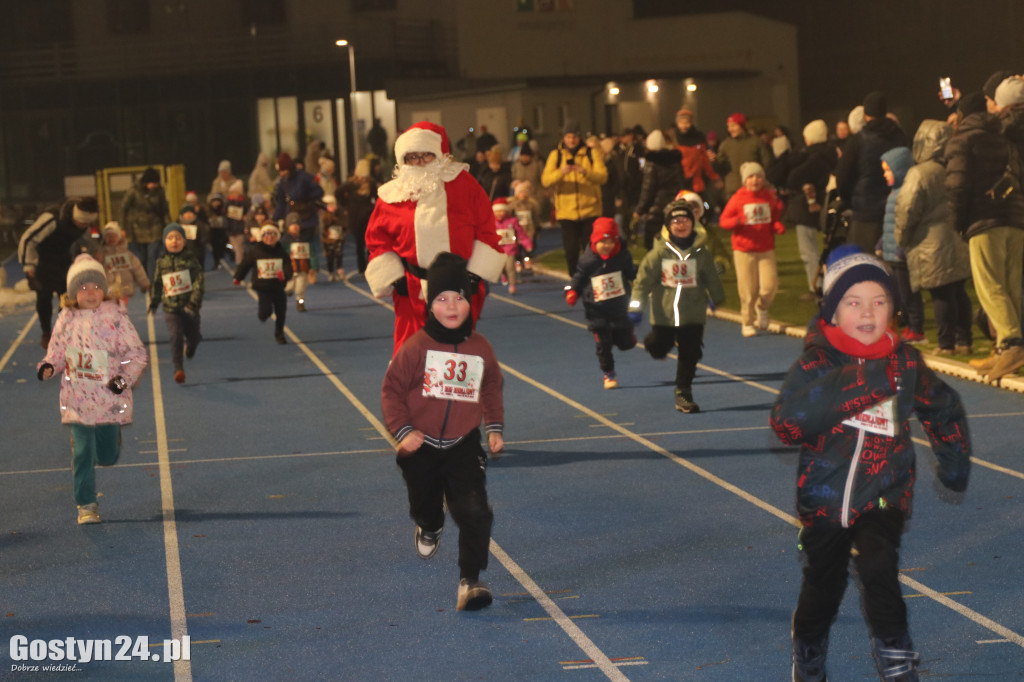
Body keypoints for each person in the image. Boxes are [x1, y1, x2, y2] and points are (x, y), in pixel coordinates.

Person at [770, 246, 971, 682]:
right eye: (853, 302)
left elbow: (944, 408)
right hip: (824, 500)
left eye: (878, 302)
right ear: (833, 311)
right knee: (824, 584)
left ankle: (896, 657)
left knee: (878, 567)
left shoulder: (906, 364)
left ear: (892, 310)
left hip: (885, 493)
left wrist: (954, 465)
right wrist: (864, 382)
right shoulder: (815, 364)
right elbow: (786, 425)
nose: (867, 312)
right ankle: (808, 648)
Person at [381, 252, 503, 612]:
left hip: (463, 444)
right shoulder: (416, 347)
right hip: (421, 445)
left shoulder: (480, 348)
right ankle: (429, 524)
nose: (452, 306)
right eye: (442, 298)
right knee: (426, 503)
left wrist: (493, 426)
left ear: (470, 301)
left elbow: (491, 385)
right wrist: (403, 431)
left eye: (459, 297)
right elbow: (391, 390)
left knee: (475, 510)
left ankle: (470, 581)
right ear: (430, 304)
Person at [364, 121, 506, 354]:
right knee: (409, 352)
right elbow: (377, 238)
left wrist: (473, 275)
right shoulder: (392, 194)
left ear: (439, 155)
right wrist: (393, 276)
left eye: (426, 156)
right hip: (411, 288)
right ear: (403, 160)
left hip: (457, 286)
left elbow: (487, 230)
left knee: (455, 353)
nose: (419, 163)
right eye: (413, 157)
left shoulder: (464, 185)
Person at [37, 254, 148, 525]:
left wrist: (122, 381)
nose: (91, 292)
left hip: (109, 399)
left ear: (105, 290)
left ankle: (109, 444)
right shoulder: (66, 318)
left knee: (107, 456)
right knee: (82, 452)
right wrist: (49, 365)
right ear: (73, 292)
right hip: (77, 399)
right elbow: (57, 351)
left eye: (97, 287)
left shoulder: (116, 317)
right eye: (84, 287)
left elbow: (137, 354)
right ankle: (86, 504)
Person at [944, 89, 1024, 381]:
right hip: (1015, 217)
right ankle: (1006, 349)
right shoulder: (1006, 135)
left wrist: (958, 221)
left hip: (984, 218)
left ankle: (1012, 344)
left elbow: (957, 184)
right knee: (1011, 285)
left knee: (990, 285)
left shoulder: (962, 139)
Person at [628, 201, 725, 412]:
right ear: (668, 226)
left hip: (693, 313)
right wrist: (635, 308)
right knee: (659, 347)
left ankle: (683, 392)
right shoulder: (658, 254)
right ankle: (655, 344)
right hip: (665, 314)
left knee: (691, 352)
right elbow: (642, 282)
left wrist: (715, 297)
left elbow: (711, 278)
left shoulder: (701, 253)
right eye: (675, 221)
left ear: (693, 223)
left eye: (685, 220)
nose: (681, 225)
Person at [894, 120, 972, 356]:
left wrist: (901, 235)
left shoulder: (920, 173)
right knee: (959, 290)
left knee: (941, 292)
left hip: (931, 241)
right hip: (958, 237)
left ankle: (945, 343)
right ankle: (964, 340)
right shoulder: (958, 167)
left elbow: (907, 208)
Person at [565, 217, 637, 389]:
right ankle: (609, 373)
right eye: (602, 242)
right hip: (595, 309)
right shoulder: (587, 260)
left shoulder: (622, 257)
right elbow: (578, 278)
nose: (606, 245)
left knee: (625, 343)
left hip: (619, 308)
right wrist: (572, 292)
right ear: (594, 241)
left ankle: (625, 336)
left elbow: (631, 272)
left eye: (610, 241)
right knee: (603, 345)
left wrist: (644, 276)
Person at [18, 196, 100, 348]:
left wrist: (97, 253)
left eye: (86, 224)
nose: (83, 226)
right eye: (81, 222)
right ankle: (46, 332)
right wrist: (28, 266)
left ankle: (67, 332)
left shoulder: (85, 225)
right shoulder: (52, 218)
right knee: (44, 299)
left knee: (69, 299)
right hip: (43, 261)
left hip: (64, 261)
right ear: (75, 215)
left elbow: (90, 240)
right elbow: (27, 239)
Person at [835, 92, 909, 253]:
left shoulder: (858, 140)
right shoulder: (900, 136)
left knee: (867, 267)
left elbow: (843, 176)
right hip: (895, 209)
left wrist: (849, 199)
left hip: (865, 214)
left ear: (866, 114)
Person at [718, 162, 785, 336]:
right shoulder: (737, 198)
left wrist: (777, 226)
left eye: (758, 176)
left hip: (765, 249)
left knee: (770, 286)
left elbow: (774, 218)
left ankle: (762, 308)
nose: (755, 180)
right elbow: (723, 221)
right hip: (743, 250)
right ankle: (747, 322)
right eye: (751, 177)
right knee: (748, 289)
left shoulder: (769, 197)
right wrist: (736, 222)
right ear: (745, 180)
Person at [541, 119, 608, 276]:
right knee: (571, 251)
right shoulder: (555, 155)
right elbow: (545, 180)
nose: (571, 140)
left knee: (590, 249)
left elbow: (603, 177)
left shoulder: (592, 153)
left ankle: (591, 279)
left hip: (590, 210)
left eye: (575, 137)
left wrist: (585, 172)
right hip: (566, 212)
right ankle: (575, 279)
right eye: (568, 137)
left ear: (580, 137)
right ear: (564, 138)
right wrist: (561, 172)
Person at [879, 146, 925, 343]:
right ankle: (908, 325)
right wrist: (882, 241)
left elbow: (903, 223)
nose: (885, 174)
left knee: (910, 293)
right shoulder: (893, 193)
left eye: (888, 170)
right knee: (899, 293)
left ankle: (917, 328)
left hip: (901, 253)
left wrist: (900, 246)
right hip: (892, 253)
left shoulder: (903, 194)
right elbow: (890, 224)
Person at [149, 223, 204, 384]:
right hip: (171, 308)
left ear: (184, 241)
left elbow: (198, 282)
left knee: (194, 336)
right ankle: (178, 368)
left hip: (189, 307)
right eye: (170, 238)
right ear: (165, 241)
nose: (174, 241)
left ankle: (193, 345)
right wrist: (155, 300)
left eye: (178, 238)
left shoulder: (191, 260)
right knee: (175, 335)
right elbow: (157, 282)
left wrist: (193, 302)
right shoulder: (161, 262)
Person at [233, 222, 293, 345]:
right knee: (265, 312)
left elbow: (288, 267)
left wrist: (285, 276)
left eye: (273, 235)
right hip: (263, 287)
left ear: (277, 237)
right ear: (262, 237)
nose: (270, 238)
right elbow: (245, 265)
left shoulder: (281, 251)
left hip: (278, 286)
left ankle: (279, 333)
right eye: (266, 235)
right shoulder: (255, 251)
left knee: (281, 311)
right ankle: (263, 314)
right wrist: (238, 277)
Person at [272, 152, 325, 291]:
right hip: (291, 218)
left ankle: (311, 270)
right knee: (290, 246)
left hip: (307, 218)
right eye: (280, 170)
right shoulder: (282, 182)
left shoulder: (305, 177)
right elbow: (281, 202)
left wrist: (306, 198)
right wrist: (275, 219)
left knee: (306, 246)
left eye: (283, 170)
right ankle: (295, 272)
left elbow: (319, 191)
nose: (282, 173)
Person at [634, 129, 687, 249]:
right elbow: (681, 184)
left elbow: (648, 190)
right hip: (674, 208)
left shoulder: (652, 164)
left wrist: (640, 210)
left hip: (656, 212)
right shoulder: (675, 162)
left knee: (654, 249)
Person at [120, 167, 171, 279]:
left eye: (155, 183)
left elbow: (164, 210)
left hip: (155, 228)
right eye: (151, 182)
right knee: (141, 258)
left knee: (153, 256)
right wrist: (123, 227)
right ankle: (145, 278)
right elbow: (124, 208)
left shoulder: (160, 192)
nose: (153, 185)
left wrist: (169, 227)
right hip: (138, 230)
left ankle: (152, 282)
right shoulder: (134, 191)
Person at [711, 112, 773, 200]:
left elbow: (767, 162)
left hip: (753, 190)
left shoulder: (756, 142)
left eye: (733, 126)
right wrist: (714, 161)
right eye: (728, 126)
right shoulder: (725, 145)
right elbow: (721, 169)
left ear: (742, 126)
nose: (730, 129)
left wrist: (758, 179)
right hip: (733, 191)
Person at [338, 159, 376, 277]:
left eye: (365, 177)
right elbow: (338, 192)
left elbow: (377, 197)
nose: (363, 179)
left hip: (368, 217)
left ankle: (371, 266)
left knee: (370, 243)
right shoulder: (350, 185)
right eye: (361, 177)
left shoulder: (371, 184)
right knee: (359, 244)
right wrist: (345, 205)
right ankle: (361, 268)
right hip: (355, 218)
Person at [97, 221, 149, 307]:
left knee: (122, 311)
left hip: (125, 289)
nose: (111, 238)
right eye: (108, 236)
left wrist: (144, 283)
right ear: (104, 238)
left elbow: (137, 269)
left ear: (119, 237)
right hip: (109, 290)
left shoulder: (127, 254)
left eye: (114, 236)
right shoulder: (102, 255)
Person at [491, 197, 533, 295]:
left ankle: (512, 285)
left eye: (502, 211)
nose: (500, 213)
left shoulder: (512, 221)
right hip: (498, 250)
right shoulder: (491, 222)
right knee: (501, 267)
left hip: (510, 249)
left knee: (510, 267)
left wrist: (527, 244)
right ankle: (503, 274)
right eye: (498, 211)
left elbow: (521, 233)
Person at [205, 192, 229, 269]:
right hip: (213, 232)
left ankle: (230, 253)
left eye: (217, 201)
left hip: (223, 231)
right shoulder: (208, 210)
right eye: (214, 201)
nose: (216, 203)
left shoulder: (224, 210)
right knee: (215, 248)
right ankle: (216, 262)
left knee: (224, 246)